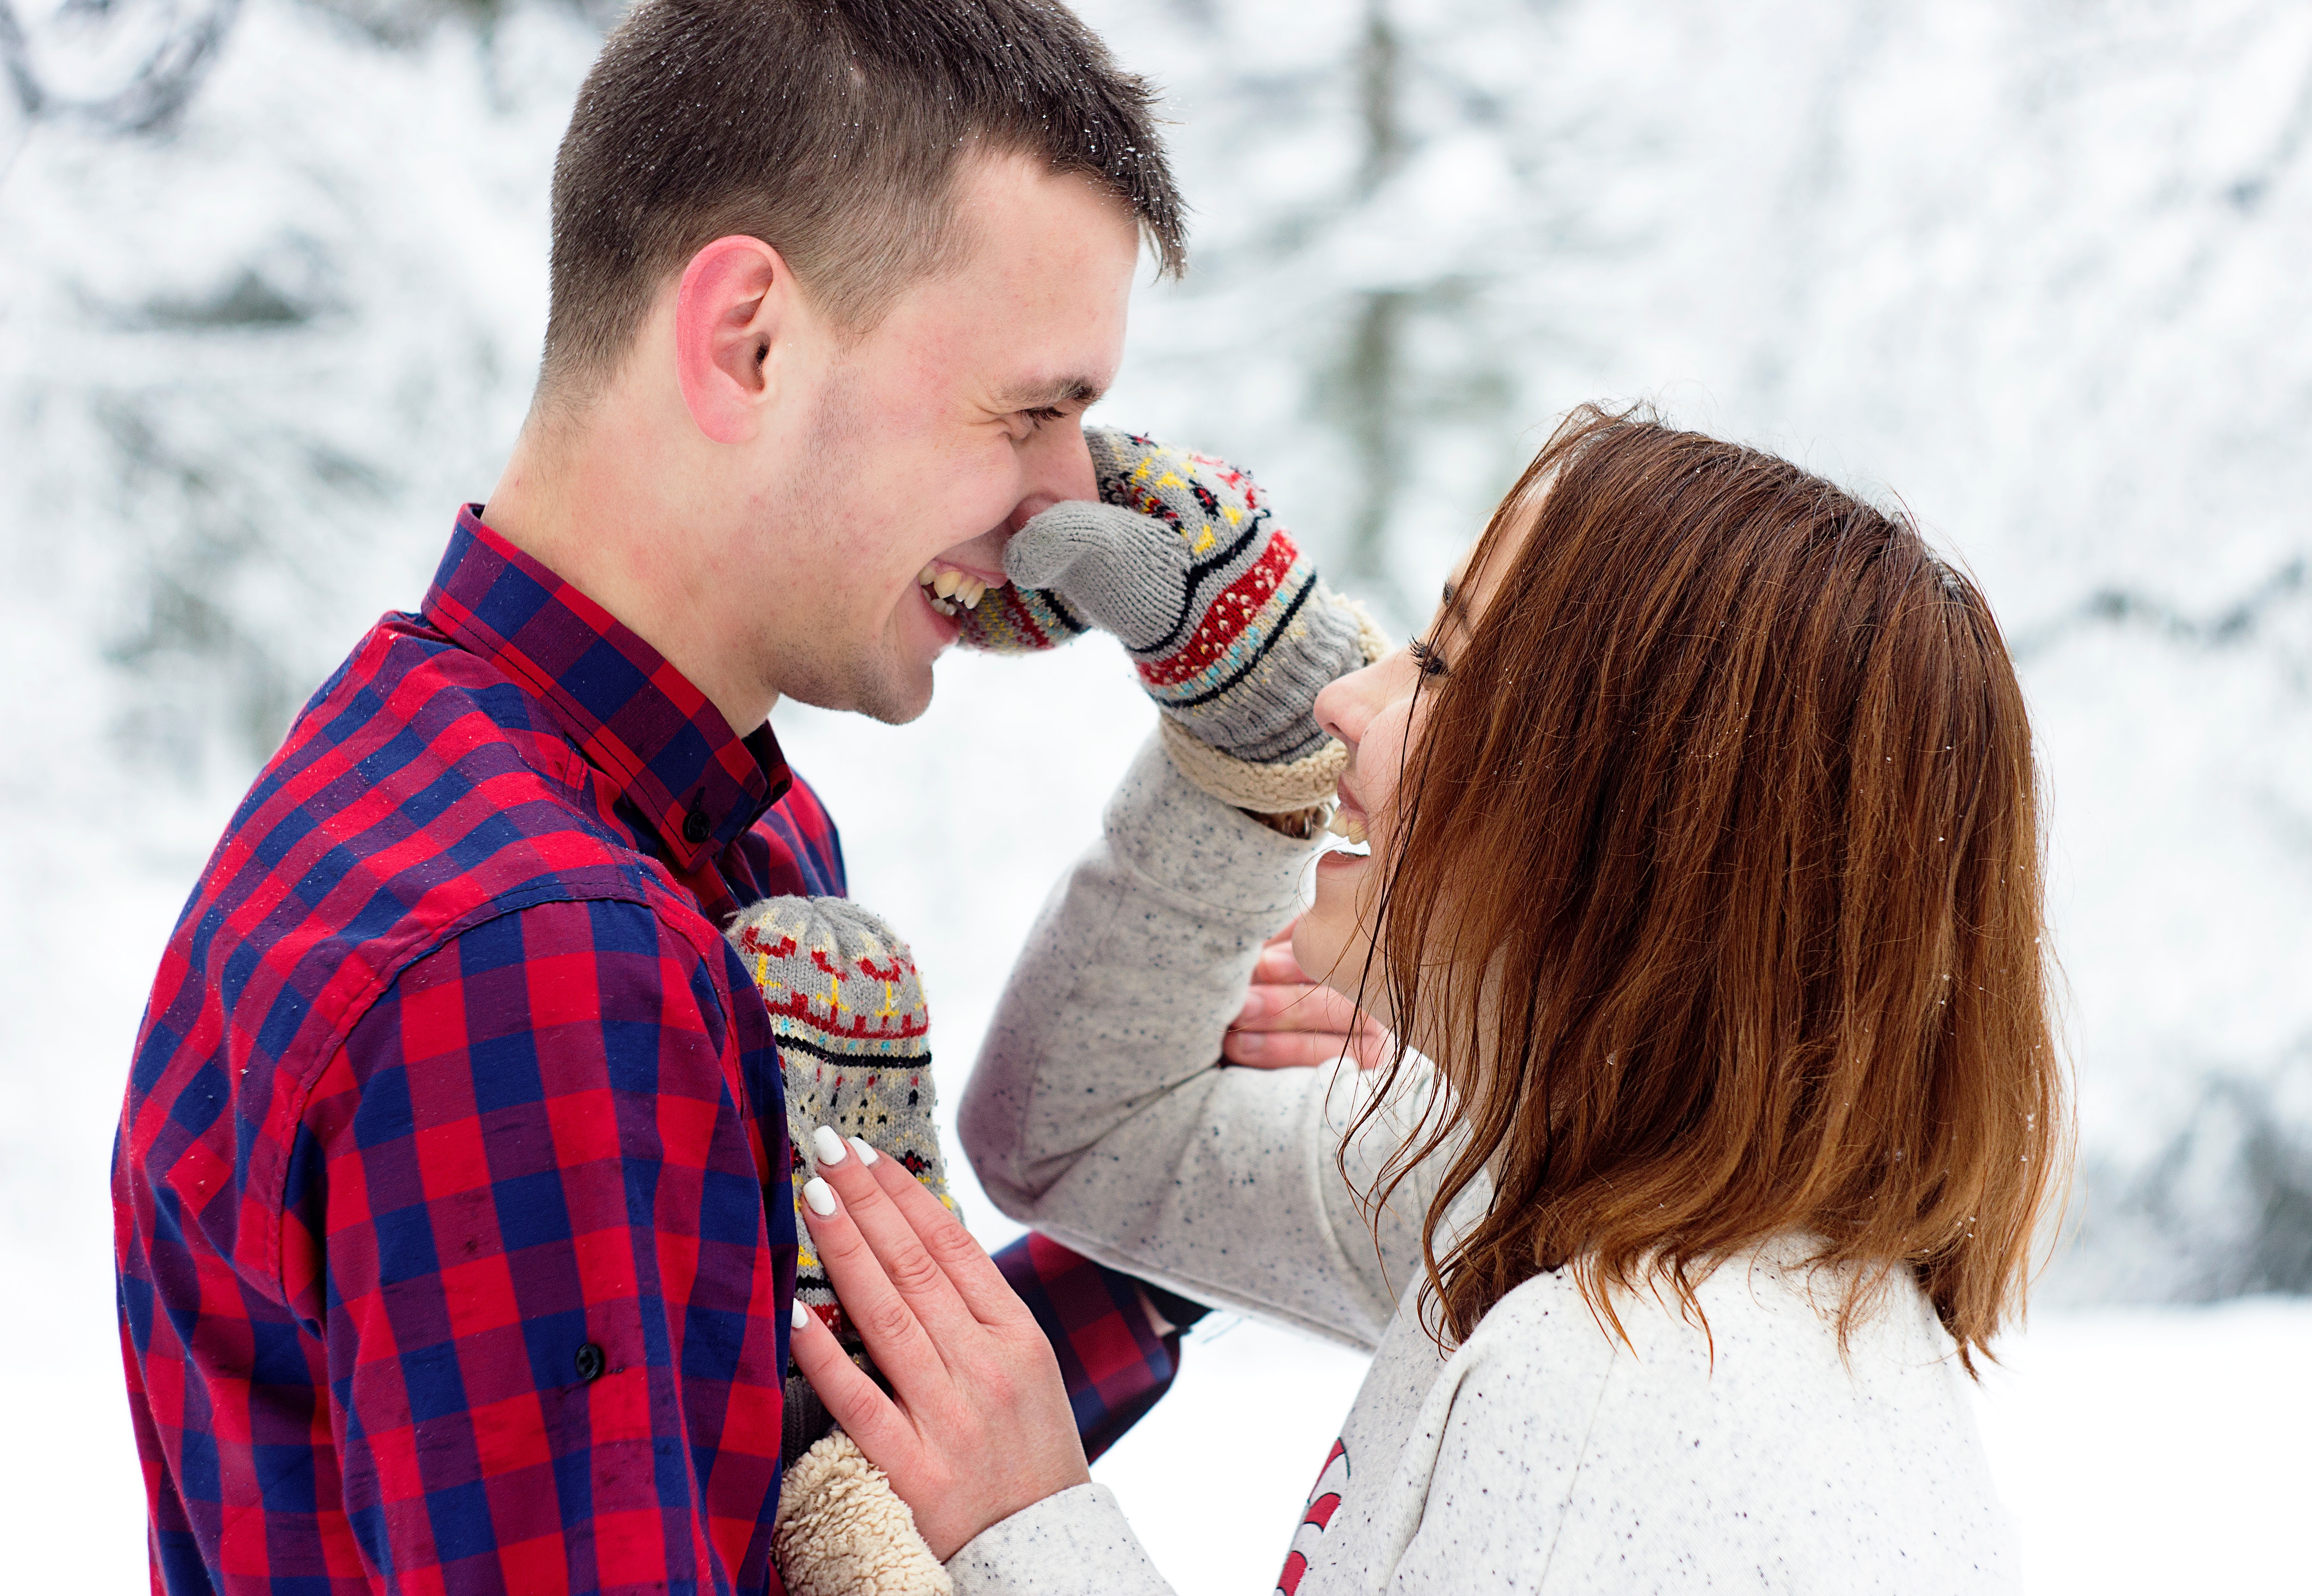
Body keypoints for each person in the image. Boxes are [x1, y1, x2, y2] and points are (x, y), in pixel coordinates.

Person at [109, 4, 1374, 1590]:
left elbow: (754, 1480)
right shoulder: (537, 963)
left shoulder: (691, 830)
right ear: (748, 342)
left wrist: (1173, 1202)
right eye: (1029, 409)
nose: (1073, 493)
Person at [784, 406, 2067, 1592]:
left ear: (1627, 827)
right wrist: (1244, 731)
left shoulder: (1627, 1384)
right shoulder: (1552, 1204)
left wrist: (1030, 1530)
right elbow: (1081, 1134)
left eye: (1442, 666)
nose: (1348, 701)